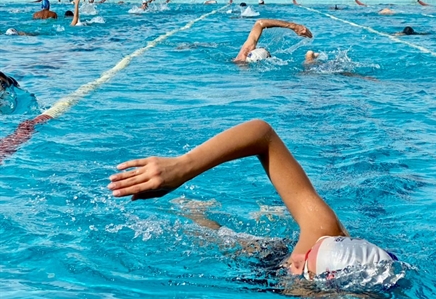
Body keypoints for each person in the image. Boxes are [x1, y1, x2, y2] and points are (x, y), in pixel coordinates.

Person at [108, 119, 399, 282]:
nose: (297, 258)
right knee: (228, 240)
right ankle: (197, 212)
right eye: (314, 247)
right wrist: (183, 167)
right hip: (276, 266)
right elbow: (263, 134)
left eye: (306, 262)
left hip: (286, 287)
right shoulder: (322, 233)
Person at [234, 19, 312, 63]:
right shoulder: (245, 53)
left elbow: (259, 23)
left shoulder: (242, 55)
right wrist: (294, 26)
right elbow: (260, 23)